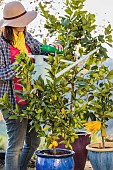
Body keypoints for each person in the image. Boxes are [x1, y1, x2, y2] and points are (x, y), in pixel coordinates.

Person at [0, 1, 63, 170]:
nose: (25, 24)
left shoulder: (24, 36)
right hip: (13, 103)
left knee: (34, 142)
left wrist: (53, 47)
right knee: (16, 147)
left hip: (31, 99)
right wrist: (20, 64)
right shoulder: (1, 44)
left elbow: (38, 49)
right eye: (21, 21)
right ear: (10, 24)